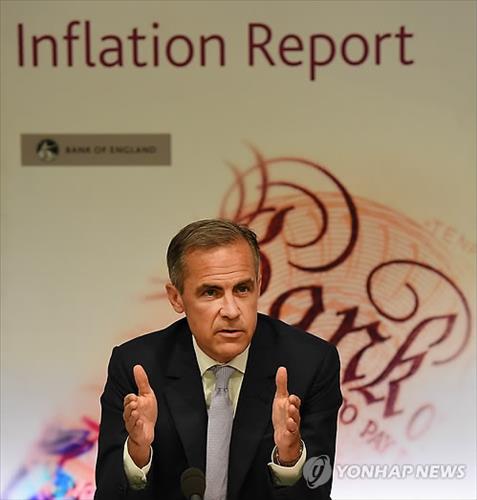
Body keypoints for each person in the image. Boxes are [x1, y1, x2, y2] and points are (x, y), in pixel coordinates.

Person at [95, 219, 342, 500]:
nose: (231, 311)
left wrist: (289, 459)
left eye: (242, 289)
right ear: (176, 298)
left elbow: (317, 488)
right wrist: (138, 453)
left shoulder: (310, 363)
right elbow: (108, 494)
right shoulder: (137, 367)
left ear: (259, 286)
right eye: (211, 292)